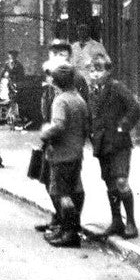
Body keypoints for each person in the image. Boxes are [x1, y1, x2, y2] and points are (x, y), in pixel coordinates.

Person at [88, 54, 140, 239]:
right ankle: (117, 221)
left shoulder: (117, 87)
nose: (95, 74)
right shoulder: (92, 91)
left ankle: (131, 223)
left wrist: (122, 126)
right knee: (110, 183)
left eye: (99, 70)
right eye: (92, 71)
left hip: (118, 144)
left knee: (121, 181)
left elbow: (134, 108)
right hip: (102, 144)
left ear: (108, 71)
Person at [40, 62, 89, 248]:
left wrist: (45, 134)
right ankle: (70, 229)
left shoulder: (61, 100)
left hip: (61, 153)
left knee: (61, 192)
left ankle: (69, 232)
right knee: (75, 189)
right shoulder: (78, 98)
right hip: (76, 152)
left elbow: (59, 125)